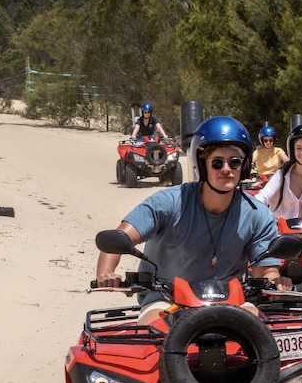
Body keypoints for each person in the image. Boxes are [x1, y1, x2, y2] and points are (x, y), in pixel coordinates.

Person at [96, 116, 290, 321]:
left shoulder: (258, 215)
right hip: (166, 299)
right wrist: (106, 272)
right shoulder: (169, 201)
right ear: (201, 164)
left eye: (234, 162)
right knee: (154, 331)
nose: (226, 169)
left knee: (260, 327)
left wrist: (276, 281)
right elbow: (120, 238)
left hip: (229, 301)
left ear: (244, 166)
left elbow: (265, 270)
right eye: (217, 162)